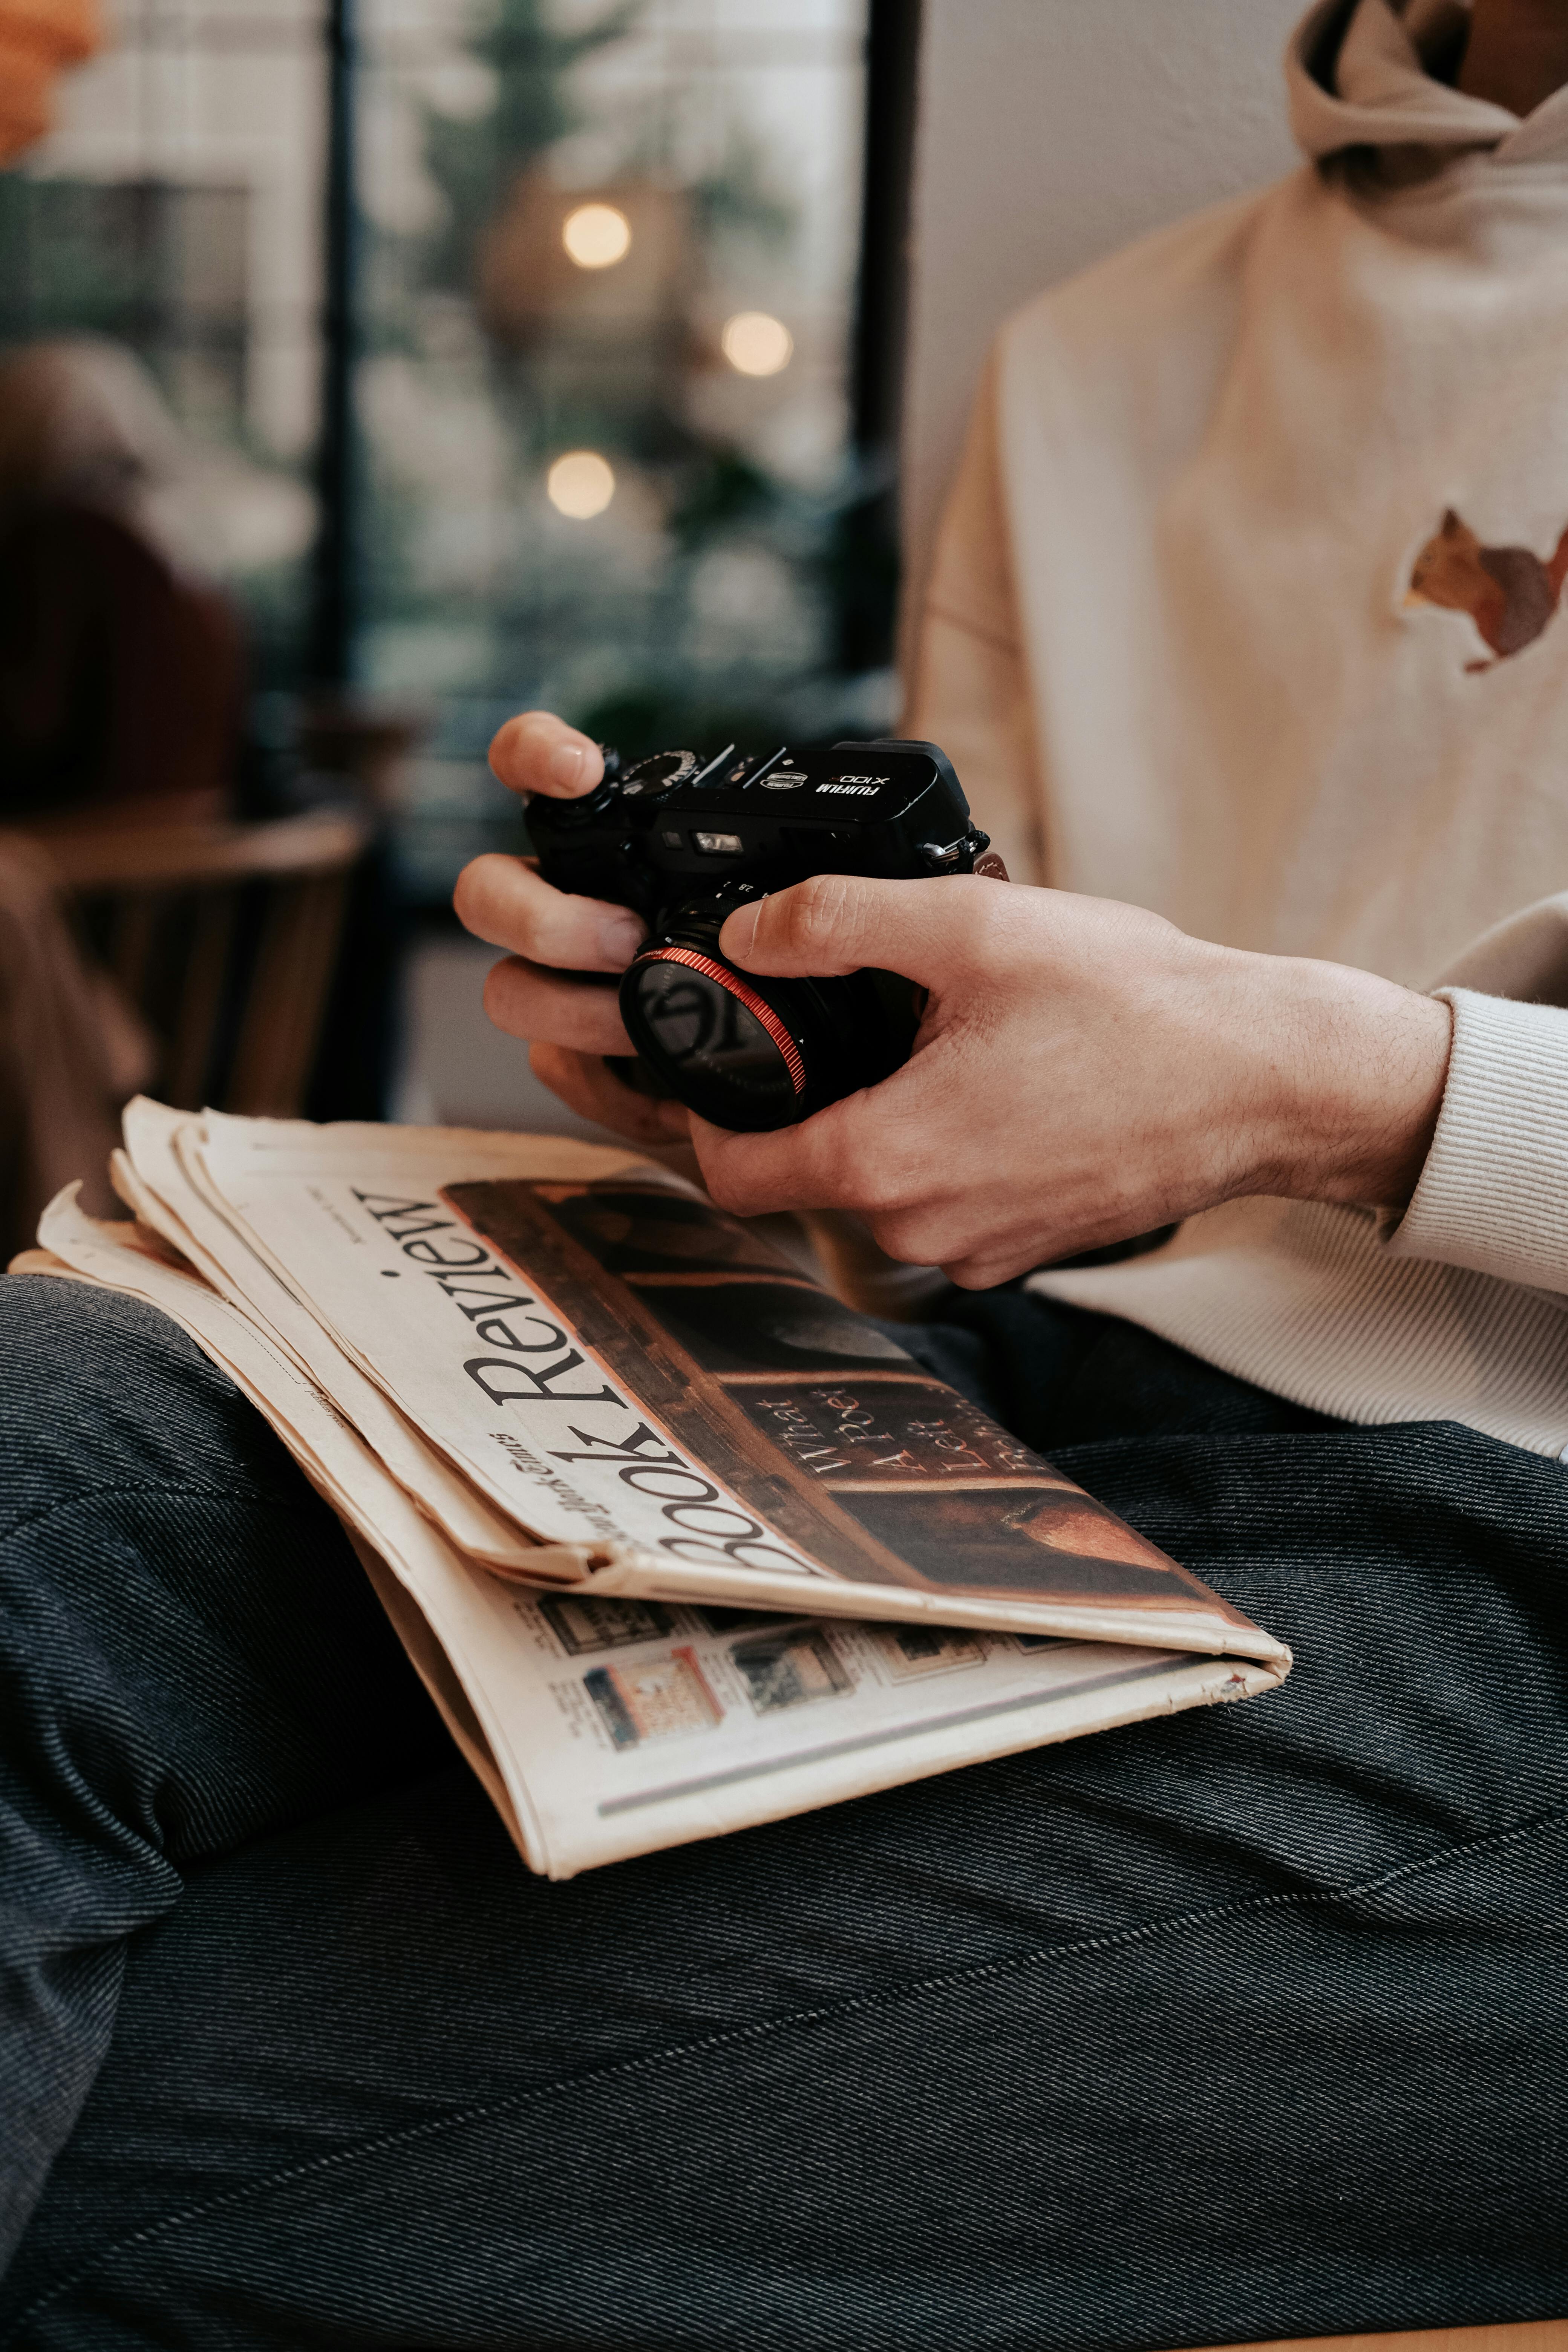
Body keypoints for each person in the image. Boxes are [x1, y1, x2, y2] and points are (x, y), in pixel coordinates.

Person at [3, 0, 1566, 2342]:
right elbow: (1047, 1104)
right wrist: (809, 1108)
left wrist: (1344, 1092)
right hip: (1073, 1392)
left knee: (150, 2125)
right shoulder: (1111, 361)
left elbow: (1277, 1098)